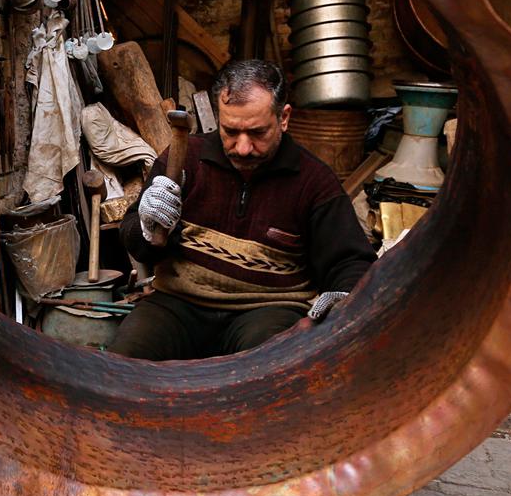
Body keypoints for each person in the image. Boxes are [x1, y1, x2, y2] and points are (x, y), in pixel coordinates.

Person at [109, 59, 376, 361]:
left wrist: (343, 299)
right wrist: (147, 225)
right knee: (124, 364)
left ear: (284, 118)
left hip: (266, 311)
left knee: (268, 371)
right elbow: (138, 244)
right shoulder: (185, 159)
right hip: (178, 305)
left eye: (258, 132)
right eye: (231, 131)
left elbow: (351, 262)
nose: (243, 147)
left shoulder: (314, 181)